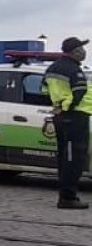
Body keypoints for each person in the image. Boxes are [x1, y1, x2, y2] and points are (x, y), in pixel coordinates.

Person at [44, 37, 91, 209]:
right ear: (75, 52)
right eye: (81, 48)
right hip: (74, 117)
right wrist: (66, 108)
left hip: (61, 117)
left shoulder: (52, 68)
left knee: (64, 157)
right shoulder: (73, 70)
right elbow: (79, 92)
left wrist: (57, 106)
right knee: (74, 158)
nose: (84, 51)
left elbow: (43, 90)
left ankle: (66, 194)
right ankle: (67, 197)